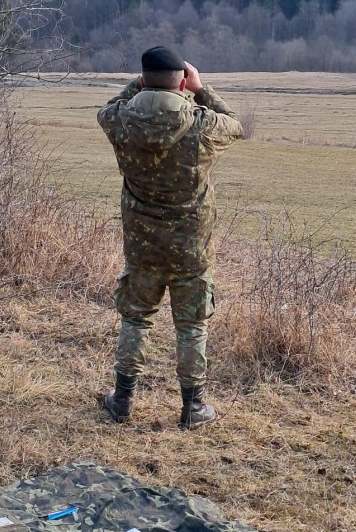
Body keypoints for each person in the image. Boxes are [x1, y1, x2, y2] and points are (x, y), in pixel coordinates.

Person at [97, 46, 243, 429]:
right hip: (191, 248)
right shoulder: (201, 124)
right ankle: (192, 408)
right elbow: (234, 123)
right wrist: (201, 88)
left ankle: (122, 400)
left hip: (142, 245)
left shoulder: (120, 120)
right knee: (192, 326)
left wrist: (141, 84)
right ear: (182, 81)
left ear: (143, 80)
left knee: (136, 319)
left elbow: (109, 106)